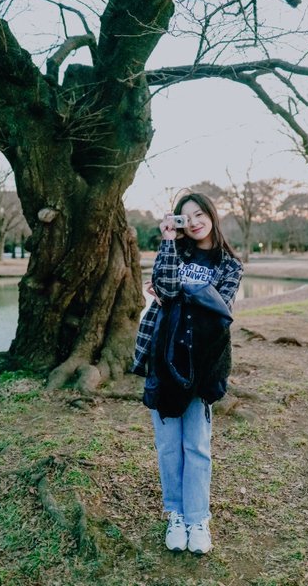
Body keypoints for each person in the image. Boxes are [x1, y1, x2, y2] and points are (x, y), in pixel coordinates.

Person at [131, 192, 243, 554]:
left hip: (202, 361)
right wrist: (167, 243)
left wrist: (177, 294)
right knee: (168, 446)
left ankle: (198, 518)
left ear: (211, 215)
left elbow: (220, 309)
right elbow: (164, 288)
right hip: (163, 356)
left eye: (199, 214)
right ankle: (176, 515)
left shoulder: (230, 265)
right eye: (185, 217)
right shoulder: (175, 250)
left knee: (196, 444)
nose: (193, 222)